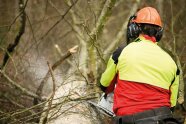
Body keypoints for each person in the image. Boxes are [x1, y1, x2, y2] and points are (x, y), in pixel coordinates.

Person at [100, 7, 180, 124]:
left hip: (129, 119)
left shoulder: (122, 52)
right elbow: (172, 105)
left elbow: (105, 85)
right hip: (164, 119)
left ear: (133, 28)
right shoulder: (172, 63)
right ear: (159, 32)